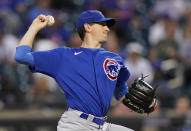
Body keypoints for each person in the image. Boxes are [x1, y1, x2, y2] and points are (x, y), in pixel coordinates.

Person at [15, 10, 155, 131]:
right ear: (87, 27)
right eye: (102, 24)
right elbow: (21, 56)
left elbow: (121, 93)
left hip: (102, 125)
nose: (107, 29)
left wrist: (144, 103)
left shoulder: (114, 59)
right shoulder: (64, 56)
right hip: (76, 124)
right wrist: (34, 27)